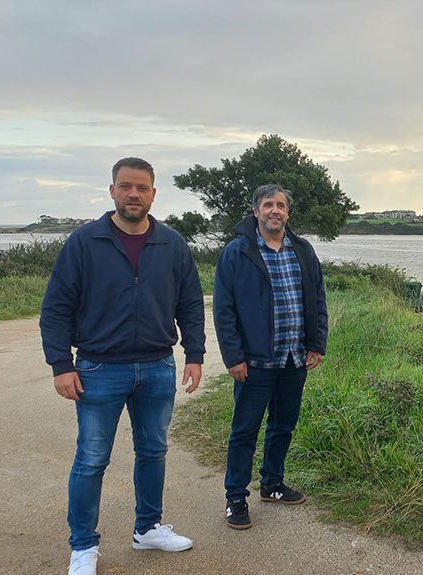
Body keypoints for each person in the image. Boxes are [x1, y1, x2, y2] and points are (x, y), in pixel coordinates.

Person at [40, 157, 205, 575]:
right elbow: (56, 308)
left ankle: (147, 528)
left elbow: (189, 303)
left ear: (153, 193)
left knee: (154, 451)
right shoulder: (84, 241)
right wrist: (61, 363)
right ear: (112, 191)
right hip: (98, 368)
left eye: (142, 187)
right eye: (126, 186)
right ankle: (83, 546)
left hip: (157, 366)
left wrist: (196, 354)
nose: (134, 194)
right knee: (92, 459)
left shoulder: (171, 243)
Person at [213, 184, 329, 530]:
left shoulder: (304, 251)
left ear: (287, 213)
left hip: (294, 359)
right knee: (245, 431)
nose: (275, 211)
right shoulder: (238, 252)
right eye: (268, 205)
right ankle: (236, 497)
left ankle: (272, 484)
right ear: (256, 212)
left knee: (283, 425)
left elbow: (318, 301)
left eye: (280, 205)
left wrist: (317, 343)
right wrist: (233, 356)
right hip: (256, 362)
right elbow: (224, 309)